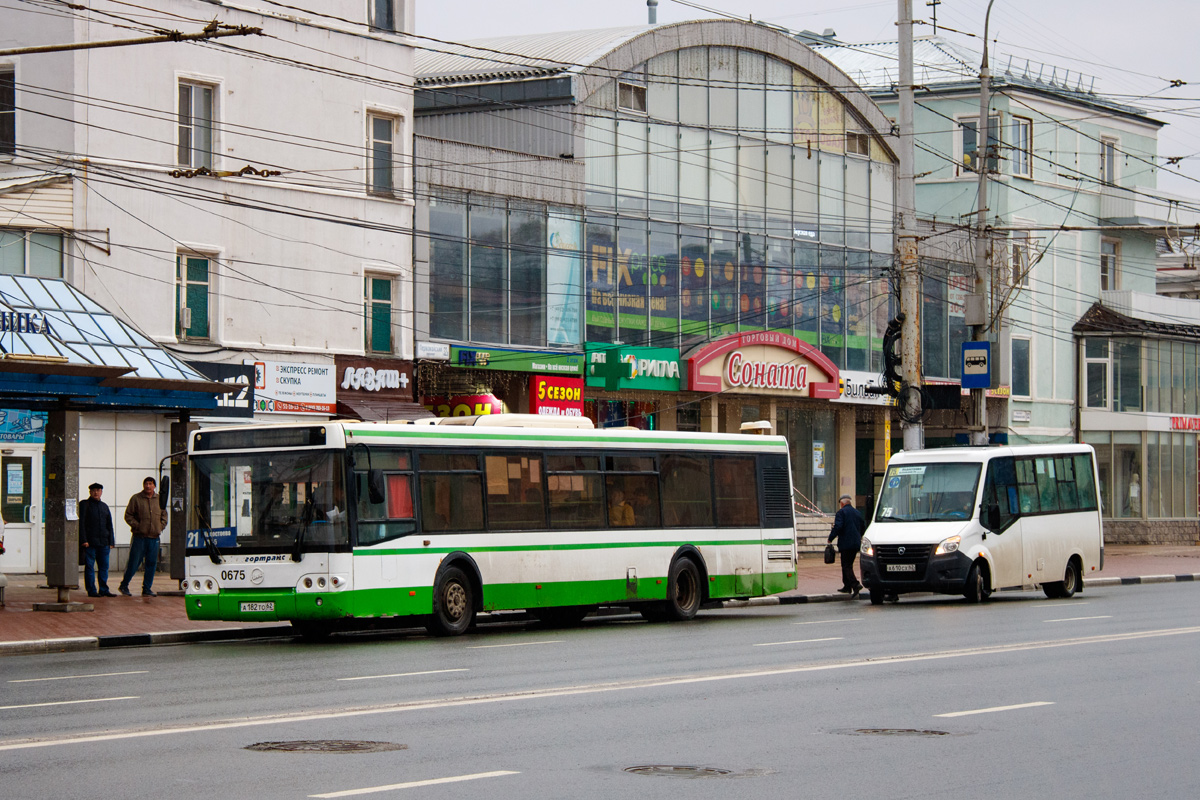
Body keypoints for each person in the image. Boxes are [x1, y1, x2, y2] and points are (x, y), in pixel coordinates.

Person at [119, 476, 168, 597]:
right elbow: (128, 515)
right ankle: (124, 585)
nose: (148, 486)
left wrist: (160, 527)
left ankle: (147, 588)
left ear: (154, 486)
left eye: (150, 484)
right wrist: (138, 526)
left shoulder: (159, 499)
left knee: (151, 564)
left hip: (154, 538)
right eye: (146, 483)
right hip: (139, 538)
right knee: (134, 563)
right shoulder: (136, 498)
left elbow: (164, 516)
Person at [78, 482, 116, 597]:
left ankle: (104, 589)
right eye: (94, 490)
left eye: (98, 490)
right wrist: (83, 540)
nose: (96, 492)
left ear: (101, 492)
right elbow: (81, 524)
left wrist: (111, 541)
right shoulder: (85, 504)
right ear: (90, 492)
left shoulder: (104, 506)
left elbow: (109, 524)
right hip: (90, 543)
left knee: (104, 567)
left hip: (104, 542)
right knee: (90, 567)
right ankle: (92, 590)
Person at [828, 494, 865, 598]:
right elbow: (863, 526)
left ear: (842, 503)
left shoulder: (841, 512)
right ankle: (847, 586)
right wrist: (859, 536)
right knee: (848, 564)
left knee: (846, 565)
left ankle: (855, 584)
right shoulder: (857, 513)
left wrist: (830, 538)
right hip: (856, 543)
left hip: (845, 543)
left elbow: (838, 526)